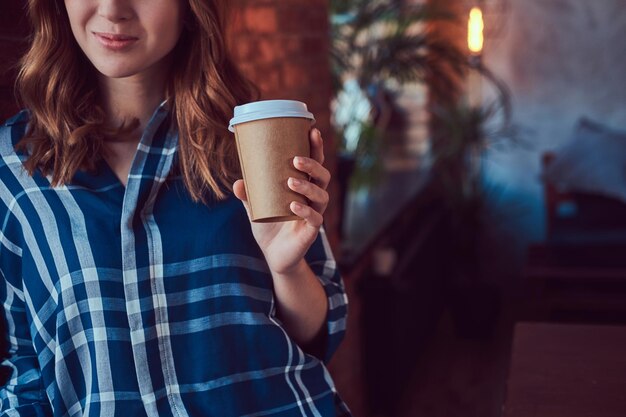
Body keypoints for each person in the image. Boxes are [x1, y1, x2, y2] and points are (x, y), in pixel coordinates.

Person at [0, 0, 350, 416]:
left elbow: (319, 336)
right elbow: (26, 367)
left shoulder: (253, 140)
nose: (113, 10)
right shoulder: (17, 162)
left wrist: (287, 268)